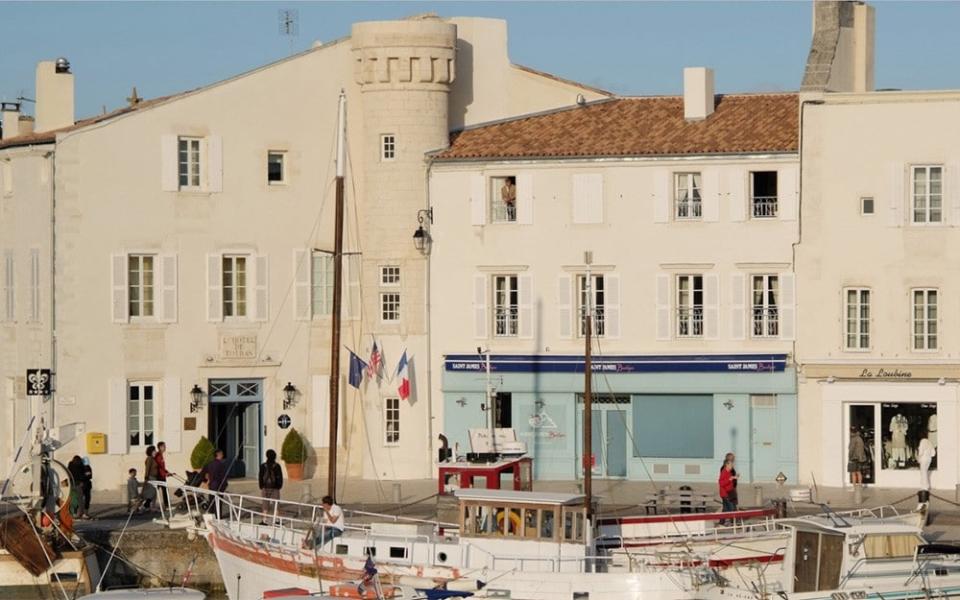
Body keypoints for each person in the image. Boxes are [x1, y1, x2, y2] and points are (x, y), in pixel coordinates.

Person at [258, 449, 284, 517]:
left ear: (267, 456)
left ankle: (264, 520)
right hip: (275, 488)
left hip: (265, 488)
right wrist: (279, 486)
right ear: (274, 456)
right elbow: (280, 477)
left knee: (265, 505)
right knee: (276, 505)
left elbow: (260, 477)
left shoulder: (263, 466)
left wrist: (261, 486)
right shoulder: (277, 466)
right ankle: (276, 520)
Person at [155, 441, 173, 509]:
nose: (165, 447)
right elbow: (158, 467)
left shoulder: (161, 455)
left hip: (162, 476)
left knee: (165, 490)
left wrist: (168, 472)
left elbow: (162, 467)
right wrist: (165, 474)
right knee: (155, 492)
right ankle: (146, 505)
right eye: (164, 446)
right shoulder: (158, 455)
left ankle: (166, 505)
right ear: (160, 447)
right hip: (159, 476)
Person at [143, 445, 160, 511]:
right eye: (154, 450)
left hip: (154, 478)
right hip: (151, 477)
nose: (155, 452)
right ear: (151, 451)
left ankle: (152, 507)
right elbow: (147, 469)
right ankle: (145, 506)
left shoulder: (153, 459)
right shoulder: (149, 458)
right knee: (151, 493)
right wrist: (146, 478)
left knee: (154, 493)